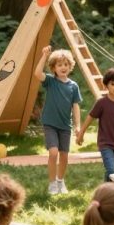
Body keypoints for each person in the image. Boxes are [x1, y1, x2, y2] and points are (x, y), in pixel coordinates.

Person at [34, 46, 82, 195]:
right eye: (59, 65)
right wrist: (44, 56)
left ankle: (61, 182)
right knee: (53, 152)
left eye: (66, 64)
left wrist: (78, 126)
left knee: (64, 155)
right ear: (53, 67)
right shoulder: (50, 81)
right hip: (50, 123)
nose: (63, 67)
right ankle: (52, 184)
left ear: (70, 66)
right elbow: (37, 73)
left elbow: (75, 107)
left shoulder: (73, 86)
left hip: (65, 126)